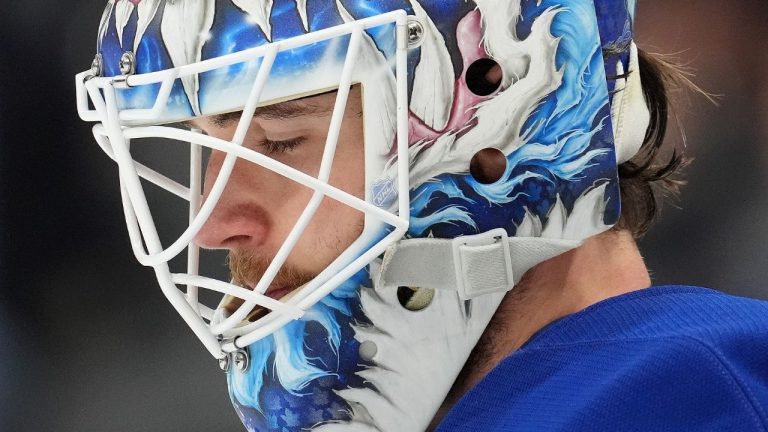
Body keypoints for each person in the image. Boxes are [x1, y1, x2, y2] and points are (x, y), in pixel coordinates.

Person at [75, 0, 768, 430]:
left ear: (493, 131)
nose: (212, 221)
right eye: (205, 147)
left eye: (281, 142)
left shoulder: (687, 396)